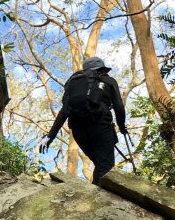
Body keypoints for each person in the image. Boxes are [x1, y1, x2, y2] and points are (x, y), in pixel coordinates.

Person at [39, 57, 127, 185]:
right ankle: (99, 200)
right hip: (100, 126)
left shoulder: (73, 85)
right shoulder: (108, 80)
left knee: (99, 163)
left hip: (78, 131)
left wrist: (50, 136)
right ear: (102, 69)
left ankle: (94, 194)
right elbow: (119, 107)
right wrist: (122, 127)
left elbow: (64, 111)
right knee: (105, 165)